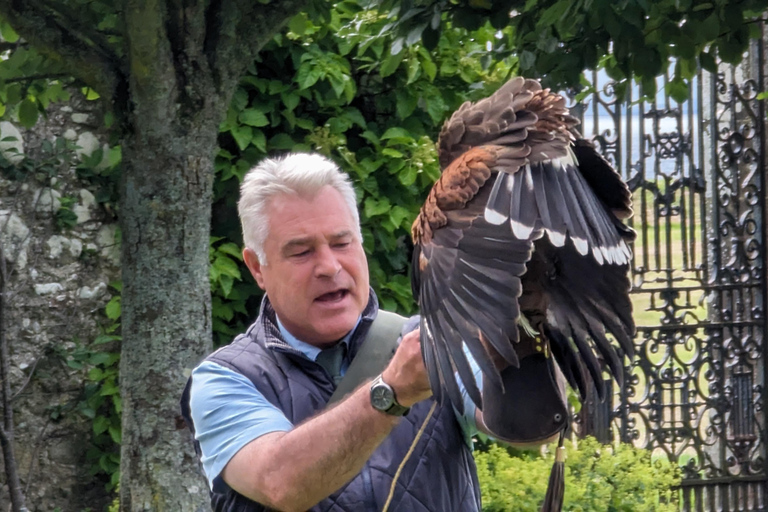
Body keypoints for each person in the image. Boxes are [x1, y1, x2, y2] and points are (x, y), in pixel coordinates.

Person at [181, 152, 489, 512]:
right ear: (257, 268)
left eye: (341, 243)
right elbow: (281, 484)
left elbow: (527, 425)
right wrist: (390, 392)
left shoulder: (434, 340)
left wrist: (530, 332)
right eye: (301, 252)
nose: (329, 266)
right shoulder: (222, 380)